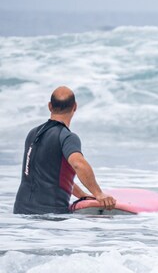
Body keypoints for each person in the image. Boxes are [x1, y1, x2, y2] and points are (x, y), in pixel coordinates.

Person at [14, 86, 116, 215]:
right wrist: (99, 194)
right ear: (75, 107)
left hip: (20, 212)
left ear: (50, 106)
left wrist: (82, 195)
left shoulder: (33, 133)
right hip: (51, 215)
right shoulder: (67, 137)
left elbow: (52, 175)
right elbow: (78, 164)